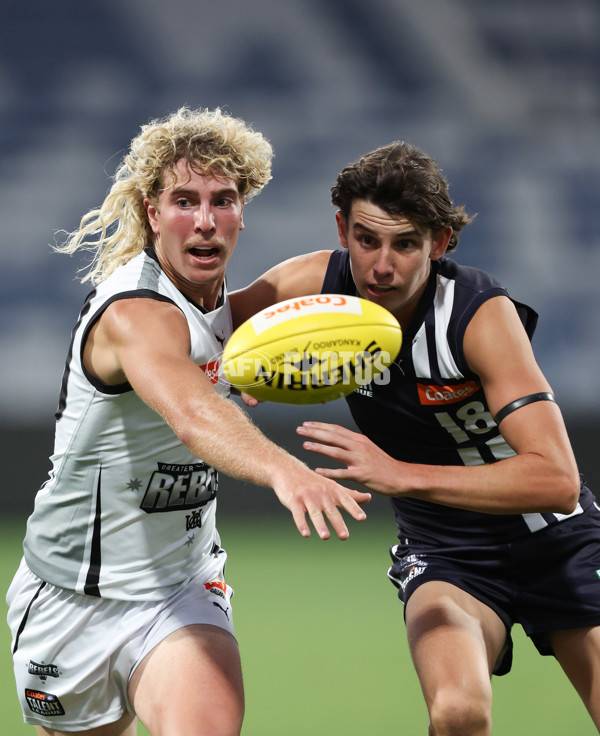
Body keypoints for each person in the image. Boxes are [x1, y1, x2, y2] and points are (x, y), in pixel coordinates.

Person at [5, 107, 371, 736]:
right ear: (152, 213)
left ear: (241, 210)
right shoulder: (135, 313)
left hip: (181, 586)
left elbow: (315, 274)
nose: (205, 221)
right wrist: (287, 472)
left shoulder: (233, 314)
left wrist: (437, 281)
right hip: (71, 594)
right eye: (184, 201)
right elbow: (192, 414)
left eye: (222, 200)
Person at [230, 141, 600, 734]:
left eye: (405, 244)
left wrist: (402, 475)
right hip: (448, 547)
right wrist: (235, 371)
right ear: (342, 230)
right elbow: (203, 335)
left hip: (557, 539)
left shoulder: (477, 315)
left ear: (440, 242)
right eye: (366, 239)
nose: (382, 266)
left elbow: (557, 481)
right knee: (457, 711)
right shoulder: (312, 286)